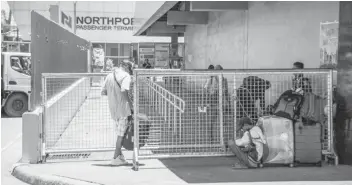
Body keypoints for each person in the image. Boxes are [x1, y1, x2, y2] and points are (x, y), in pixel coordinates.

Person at [101, 60, 133, 166]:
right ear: (127, 67)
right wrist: (131, 104)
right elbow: (124, 91)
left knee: (120, 133)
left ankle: (120, 157)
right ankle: (115, 158)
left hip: (113, 109)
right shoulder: (126, 76)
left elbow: (103, 92)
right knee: (121, 135)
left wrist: (113, 94)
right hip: (123, 109)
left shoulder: (109, 75)